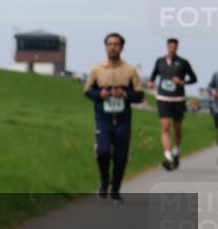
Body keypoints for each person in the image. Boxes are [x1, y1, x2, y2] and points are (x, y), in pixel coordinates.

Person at [84, 32, 144, 204]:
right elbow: (87, 91)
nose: (113, 47)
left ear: (122, 47)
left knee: (120, 157)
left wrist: (124, 94)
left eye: (116, 44)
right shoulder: (96, 69)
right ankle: (104, 180)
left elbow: (139, 95)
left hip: (123, 120)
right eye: (109, 44)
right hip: (103, 119)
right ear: (105, 47)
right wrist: (99, 93)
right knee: (102, 152)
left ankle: (115, 191)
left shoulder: (130, 70)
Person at [147, 38, 198, 170]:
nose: (172, 49)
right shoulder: (160, 61)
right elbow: (153, 76)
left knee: (177, 128)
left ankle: (177, 149)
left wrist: (182, 82)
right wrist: (151, 82)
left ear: (177, 48)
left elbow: (194, 78)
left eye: (174, 47)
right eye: (170, 46)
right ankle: (168, 156)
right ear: (167, 47)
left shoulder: (183, 62)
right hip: (163, 98)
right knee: (165, 126)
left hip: (178, 99)